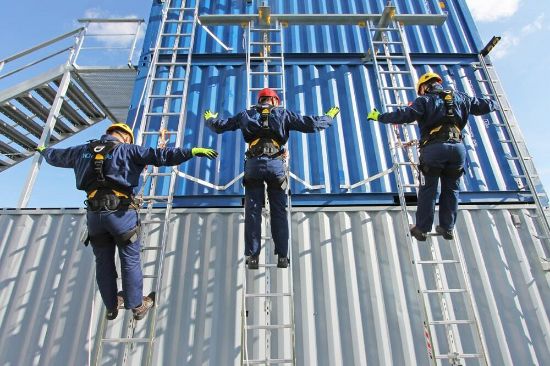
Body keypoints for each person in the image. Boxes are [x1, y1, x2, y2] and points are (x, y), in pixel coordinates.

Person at [36, 123, 218, 320]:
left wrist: (45, 151)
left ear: (109, 134)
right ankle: (137, 305)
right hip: (120, 214)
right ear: (126, 137)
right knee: (129, 259)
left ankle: (111, 306)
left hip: (94, 216)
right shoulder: (128, 150)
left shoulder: (82, 150)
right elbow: (161, 156)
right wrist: (191, 151)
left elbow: (57, 157)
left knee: (103, 262)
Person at [204, 88, 339, 269]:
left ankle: (252, 257)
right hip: (275, 165)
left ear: (260, 100)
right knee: (279, 211)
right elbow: (311, 124)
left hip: (253, 165)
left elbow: (220, 126)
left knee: (253, 212)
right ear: (275, 101)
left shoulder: (246, 114)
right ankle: (282, 256)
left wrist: (210, 119)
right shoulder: (283, 114)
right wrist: (328, 117)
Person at [367, 72, 497, 241]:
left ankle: (421, 229)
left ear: (424, 86)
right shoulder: (461, 97)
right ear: (438, 83)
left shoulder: (425, 100)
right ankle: (447, 228)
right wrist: (494, 102)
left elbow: (406, 115)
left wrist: (380, 117)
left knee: (429, 189)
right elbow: (484, 106)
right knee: (452, 189)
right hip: (458, 149)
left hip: (434, 148)